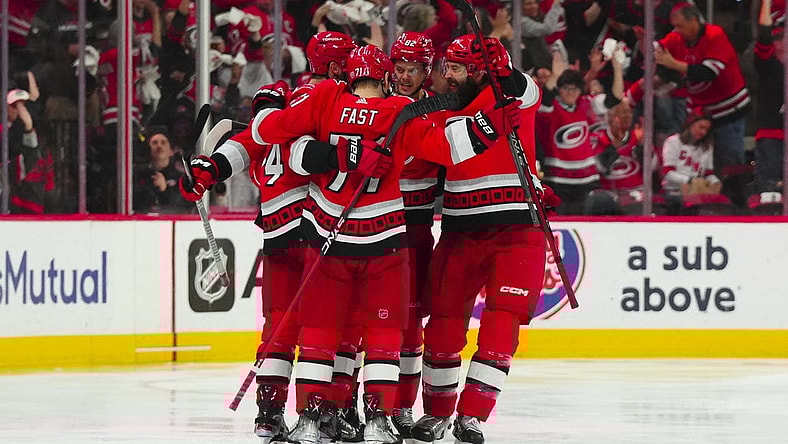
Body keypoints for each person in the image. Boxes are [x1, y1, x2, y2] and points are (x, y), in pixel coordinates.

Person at [249, 44, 520, 444]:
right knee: (383, 336)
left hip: (328, 239)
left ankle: (309, 420)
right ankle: (377, 421)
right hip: (384, 244)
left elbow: (276, 141)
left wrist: (332, 149)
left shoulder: (325, 99)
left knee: (320, 334)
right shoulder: (397, 111)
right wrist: (488, 125)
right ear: (388, 77)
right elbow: (445, 148)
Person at [179, 31, 358, 444]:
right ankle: (326, 410)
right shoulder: (333, 100)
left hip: (277, 230)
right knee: (332, 324)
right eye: (347, 63)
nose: (353, 70)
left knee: (278, 326)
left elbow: (248, 144)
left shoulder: (282, 104)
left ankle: (269, 412)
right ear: (333, 68)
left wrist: (210, 168)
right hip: (317, 227)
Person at [411, 35, 555, 444]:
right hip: (459, 230)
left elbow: (530, 90)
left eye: (456, 68)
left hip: (517, 230)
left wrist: (506, 73)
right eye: (446, 68)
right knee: (442, 323)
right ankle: (437, 412)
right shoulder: (444, 108)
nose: (448, 76)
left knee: (501, 321)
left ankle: (472, 414)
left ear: (478, 71)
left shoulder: (512, 97)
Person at [387, 31, 439, 441]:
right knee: (361, 323)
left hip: (416, 230)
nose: (405, 77)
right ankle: (357, 402)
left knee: (408, 324)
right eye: (400, 68)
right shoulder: (374, 105)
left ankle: (402, 405)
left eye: (414, 70)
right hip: (370, 229)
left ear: (427, 71)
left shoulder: (438, 112)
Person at [655, 3, 751, 207]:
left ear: (693, 21)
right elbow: (658, 50)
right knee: (697, 161)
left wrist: (674, 64)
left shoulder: (715, 36)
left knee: (730, 164)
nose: (676, 31)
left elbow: (708, 72)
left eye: (680, 26)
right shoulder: (677, 38)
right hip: (700, 113)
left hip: (728, 110)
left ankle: (734, 207)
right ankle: (699, 203)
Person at [536, 63, 600, 215]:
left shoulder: (584, 105)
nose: (570, 93)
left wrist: (616, 68)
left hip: (587, 179)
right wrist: (555, 76)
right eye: (566, 88)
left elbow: (613, 99)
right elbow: (545, 101)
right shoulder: (551, 109)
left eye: (574, 89)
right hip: (558, 181)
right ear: (559, 90)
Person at [751, 0, 786, 213]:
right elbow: (764, 33)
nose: (781, 43)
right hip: (771, 137)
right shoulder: (767, 63)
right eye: (778, 38)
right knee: (770, 193)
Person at [660, 109, 726, 215]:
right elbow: (667, 173)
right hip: (673, 192)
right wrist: (690, 180)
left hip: (697, 192)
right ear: (691, 124)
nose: (703, 132)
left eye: (707, 129)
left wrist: (715, 182)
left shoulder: (707, 146)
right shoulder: (673, 142)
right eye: (701, 127)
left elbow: (707, 173)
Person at [3, 89, 50, 214]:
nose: (20, 110)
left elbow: (33, 156)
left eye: (24, 106)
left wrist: (28, 127)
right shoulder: (5, 130)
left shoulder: (38, 132)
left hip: (29, 200)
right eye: (14, 106)